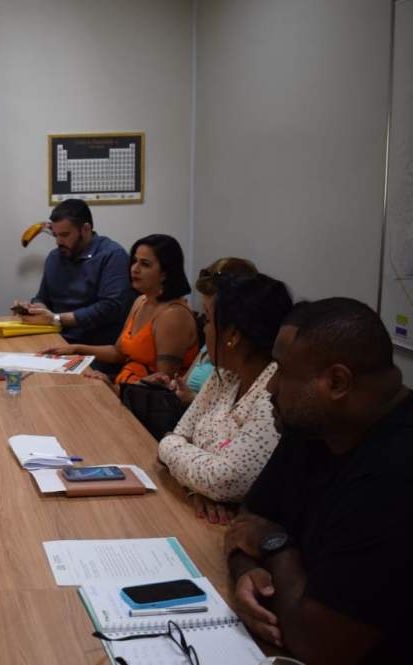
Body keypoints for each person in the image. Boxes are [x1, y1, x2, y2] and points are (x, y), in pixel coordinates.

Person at [224, 298, 411, 664]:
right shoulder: (315, 427)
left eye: (281, 371)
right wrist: (245, 567)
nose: (269, 387)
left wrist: (273, 543)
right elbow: (246, 520)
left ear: (337, 382)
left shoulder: (397, 474)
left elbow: (320, 645)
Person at [157, 273, 292, 524]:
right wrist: (197, 488)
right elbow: (179, 434)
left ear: (232, 336)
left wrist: (170, 450)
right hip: (195, 512)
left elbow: (226, 480)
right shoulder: (225, 376)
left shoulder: (272, 391)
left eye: (207, 319)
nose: (204, 328)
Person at [44, 234, 199, 386]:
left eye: (145, 264)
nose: (134, 269)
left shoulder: (174, 315)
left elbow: (163, 380)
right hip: (123, 386)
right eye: (134, 262)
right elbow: (118, 353)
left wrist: (115, 389)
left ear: (165, 273)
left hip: (143, 402)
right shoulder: (141, 301)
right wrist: (76, 349)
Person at [12, 199, 132, 346]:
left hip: (93, 348)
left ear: (86, 229)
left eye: (64, 235)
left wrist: (56, 319)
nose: (58, 242)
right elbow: (43, 298)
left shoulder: (113, 255)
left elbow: (109, 308)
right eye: (55, 235)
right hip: (55, 339)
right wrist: (35, 308)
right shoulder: (55, 257)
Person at [143, 257, 260, 405]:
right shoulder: (214, 345)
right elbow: (186, 384)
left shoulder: (233, 365)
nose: (205, 328)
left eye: (209, 318)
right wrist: (173, 386)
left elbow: (221, 415)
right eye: (206, 316)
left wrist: (191, 399)